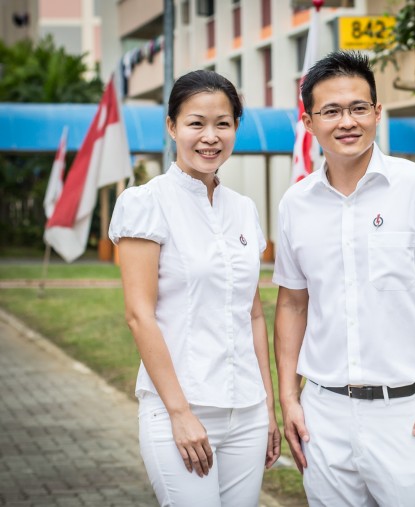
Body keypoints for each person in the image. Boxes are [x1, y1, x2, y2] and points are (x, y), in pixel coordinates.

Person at [273, 51, 415, 506]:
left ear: (377, 112)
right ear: (308, 122)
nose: (347, 121)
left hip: (408, 412)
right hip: (323, 412)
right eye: (331, 111)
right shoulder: (295, 204)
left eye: (358, 108)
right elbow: (291, 303)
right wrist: (289, 397)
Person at [109, 70, 280, 506]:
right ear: (172, 126)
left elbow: (253, 314)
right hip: (178, 409)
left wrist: (268, 408)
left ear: (236, 128)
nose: (210, 136)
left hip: (246, 410)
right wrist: (180, 414)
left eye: (223, 123)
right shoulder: (145, 203)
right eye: (195, 123)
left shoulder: (242, 209)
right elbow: (138, 315)